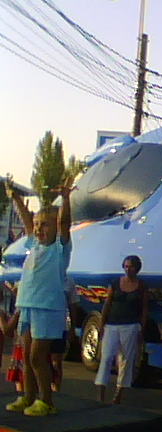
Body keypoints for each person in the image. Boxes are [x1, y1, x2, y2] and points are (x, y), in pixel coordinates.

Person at [4, 177, 73, 416]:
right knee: (27, 357)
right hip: (28, 306)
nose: (38, 228)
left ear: (56, 228)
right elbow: (26, 220)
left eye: (45, 225)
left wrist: (65, 199)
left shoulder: (59, 249)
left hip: (47, 308)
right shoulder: (34, 246)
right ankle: (28, 396)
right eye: (37, 224)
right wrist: (16, 198)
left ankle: (47, 401)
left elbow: (65, 223)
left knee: (37, 357)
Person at [95, 255, 148, 404]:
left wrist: (142, 329)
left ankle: (118, 394)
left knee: (126, 360)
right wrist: (102, 324)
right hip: (112, 324)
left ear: (137, 268)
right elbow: (107, 303)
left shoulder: (141, 285)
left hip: (130, 325)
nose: (128, 269)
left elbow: (144, 308)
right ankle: (100, 395)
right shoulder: (116, 283)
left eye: (131, 266)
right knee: (106, 358)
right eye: (126, 266)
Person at [50, 275, 80, 392]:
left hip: (59, 326)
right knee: (40, 359)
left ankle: (56, 389)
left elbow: (73, 305)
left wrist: (72, 328)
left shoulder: (68, 280)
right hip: (41, 325)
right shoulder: (43, 275)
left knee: (57, 360)